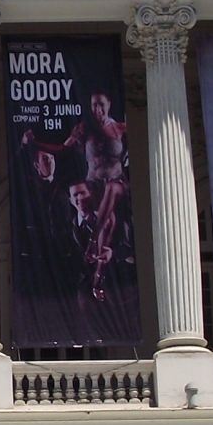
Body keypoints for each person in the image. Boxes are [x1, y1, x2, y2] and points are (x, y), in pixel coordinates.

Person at [25, 91, 130, 300]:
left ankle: (92, 244)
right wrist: (35, 143)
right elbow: (62, 148)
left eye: (101, 105)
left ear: (108, 105)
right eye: (93, 105)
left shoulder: (120, 128)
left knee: (112, 192)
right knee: (108, 221)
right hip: (94, 184)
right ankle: (98, 278)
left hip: (116, 182)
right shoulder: (84, 129)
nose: (97, 110)